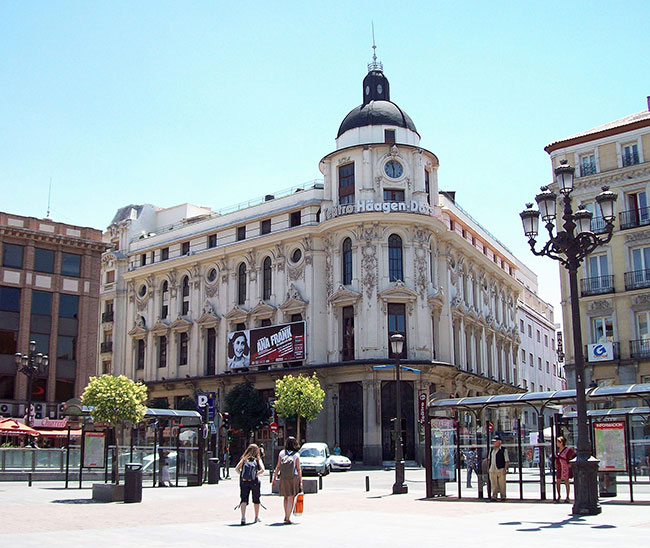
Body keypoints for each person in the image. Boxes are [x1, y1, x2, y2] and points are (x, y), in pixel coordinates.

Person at [272, 436, 302, 524]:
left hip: (283, 477)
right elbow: (298, 468)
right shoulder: (296, 455)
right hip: (293, 477)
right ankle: (288, 517)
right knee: (291, 497)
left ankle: (286, 515)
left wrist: (274, 478)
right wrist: (300, 481)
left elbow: (278, 467)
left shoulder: (281, 453)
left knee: (285, 497)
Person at [235, 443, 265, 525]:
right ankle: (256, 517)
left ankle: (243, 517)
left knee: (243, 499)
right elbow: (263, 470)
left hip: (244, 481)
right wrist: (255, 475)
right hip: (254, 481)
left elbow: (236, 469)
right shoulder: (257, 459)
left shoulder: (244, 459)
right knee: (256, 499)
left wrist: (242, 475)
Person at [488, 434, 509, 501]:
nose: (494, 443)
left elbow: (506, 460)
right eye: (493, 442)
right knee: (494, 484)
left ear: (499, 442)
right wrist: (488, 467)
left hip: (500, 469)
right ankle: (494, 496)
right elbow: (489, 459)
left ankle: (503, 496)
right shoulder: (491, 450)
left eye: (495, 441)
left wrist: (505, 469)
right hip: (492, 469)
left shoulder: (503, 450)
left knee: (502, 484)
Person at [555, 436, 576, 502]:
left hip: (565, 467)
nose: (557, 443)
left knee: (566, 481)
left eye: (558, 442)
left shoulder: (568, 450)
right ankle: (558, 495)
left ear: (561, 443)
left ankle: (567, 496)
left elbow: (574, 455)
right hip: (559, 467)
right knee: (558, 481)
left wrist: (570, 464)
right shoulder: (557, 450)